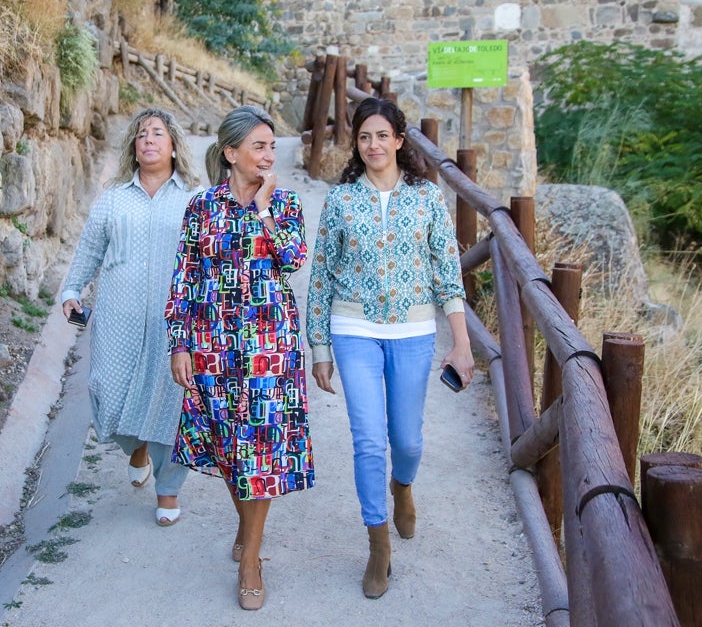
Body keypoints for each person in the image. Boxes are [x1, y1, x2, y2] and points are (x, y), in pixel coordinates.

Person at [306, 96, 476, 599]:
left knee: (406, 439)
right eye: (364, 137)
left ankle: (403, 486)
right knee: (366, 438)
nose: (374, 144)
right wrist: (320, 347)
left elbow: (448, 275)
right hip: (352, 328)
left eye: (382, 135)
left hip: (414, 332)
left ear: (400, 140)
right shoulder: (341, 202)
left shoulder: (426, 199)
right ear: (356, 145)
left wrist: (462, 345)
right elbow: (321, 277)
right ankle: (377, 544)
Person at [166, 105, 313, 611]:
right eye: (258, 146)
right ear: (230, 153)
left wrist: (266, 207)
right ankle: (247, 524)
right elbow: (184, 276)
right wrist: (179, 342)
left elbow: (293, 260)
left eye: (272, 146)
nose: (268, 155)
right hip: (212, 346)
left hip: (270, 347)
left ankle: (251, 558)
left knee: (263, 450)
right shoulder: (200, 207)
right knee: (228, 446)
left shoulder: (286, 203)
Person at [60, 107, 202, 527]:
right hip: (116, 316)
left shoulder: (195, 198)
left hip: (174, 321)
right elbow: (89, 251)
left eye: (158, 133)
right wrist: (72, 291)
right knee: (107, 390)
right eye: (142, 135)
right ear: (133, 147)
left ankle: (168, 489)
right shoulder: (114, 198)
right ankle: (135, 446)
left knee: (172, 402)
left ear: (174, 145)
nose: (149, 140)